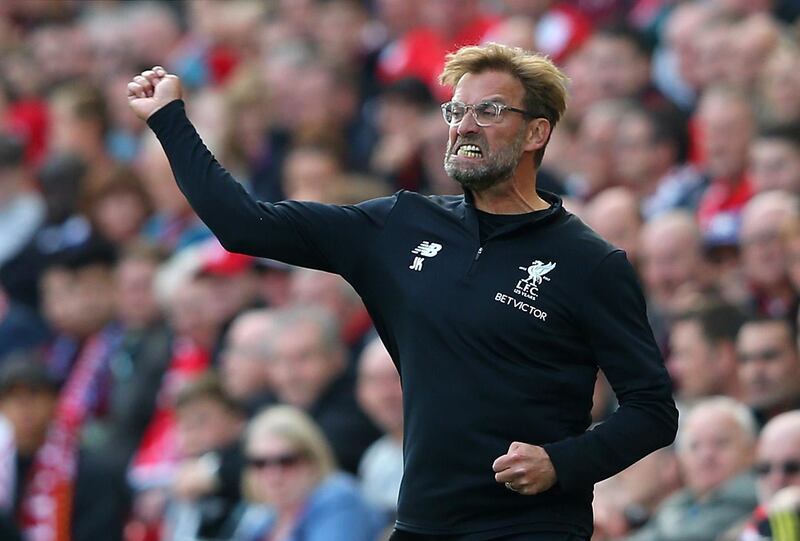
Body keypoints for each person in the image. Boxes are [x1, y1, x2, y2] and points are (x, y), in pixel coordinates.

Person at [127, 43, 678, 540]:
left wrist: (563, 462)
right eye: (456, 111)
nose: (464, 125)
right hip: (423, 522)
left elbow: (652, 410)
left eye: (489, 111)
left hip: (531, 528)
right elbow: (244, 225)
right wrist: (170, 120)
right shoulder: (400, 226)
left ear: (536, 133)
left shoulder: (591, 263)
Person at [234, 405, 384, 541]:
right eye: (260, 464)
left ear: (312, 460)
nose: (274, 475)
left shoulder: (339, 499)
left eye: (286, 461)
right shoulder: (260, 518)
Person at [623, 397, 758, 541]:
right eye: (695, 446)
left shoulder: (756, 499)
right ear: (681, 458)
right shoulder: (676, 506)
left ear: (751, 451)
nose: (706, 455)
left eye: (720, 443)